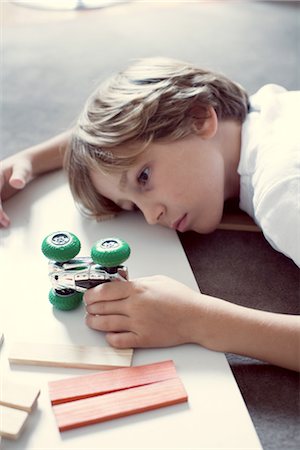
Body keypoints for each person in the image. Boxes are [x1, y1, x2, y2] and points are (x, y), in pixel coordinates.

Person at [1, 57, 299, 371]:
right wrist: (29, 160)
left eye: (143, 178)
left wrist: (195, 319)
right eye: (131, 206)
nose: (152, 217)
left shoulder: (283, 192)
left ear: (199, 119)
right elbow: (143, 118)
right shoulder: (260, 114)